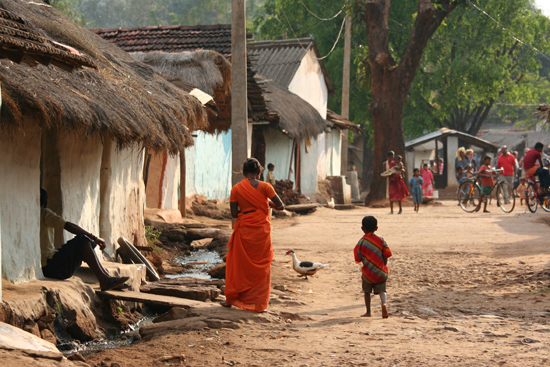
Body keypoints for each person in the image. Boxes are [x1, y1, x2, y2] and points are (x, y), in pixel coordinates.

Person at [222, 158, 285, 312]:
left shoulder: (236, 189)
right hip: (261, 231)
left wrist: (248, 209)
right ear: (259, 172)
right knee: (261, 266)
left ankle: (231, 299)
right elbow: (281, 206)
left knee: (238, 264)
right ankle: (258, 303)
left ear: (244, 172)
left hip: (244, 230)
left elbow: (233, 214)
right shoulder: (266, 187)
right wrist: (266, 204)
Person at [40, 189, 129, 291]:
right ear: (46, 204)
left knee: (83, 242)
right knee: (82, 240)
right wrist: (93, 237)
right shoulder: (44, 213)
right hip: (51, 266)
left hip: (48, 267)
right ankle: (105, 280)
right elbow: (68, 225)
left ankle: (107, 278)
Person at [354, 215, 392, 318]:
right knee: (382, 290)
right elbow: (386, 254)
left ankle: (368, 312)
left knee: (367, 292)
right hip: (380, 271)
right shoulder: (380, 239)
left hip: (368, 272)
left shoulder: (361, 242)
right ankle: (383, 304)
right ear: (376, 228)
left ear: (362, 229)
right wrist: (383, 264)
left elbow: (358, 257)